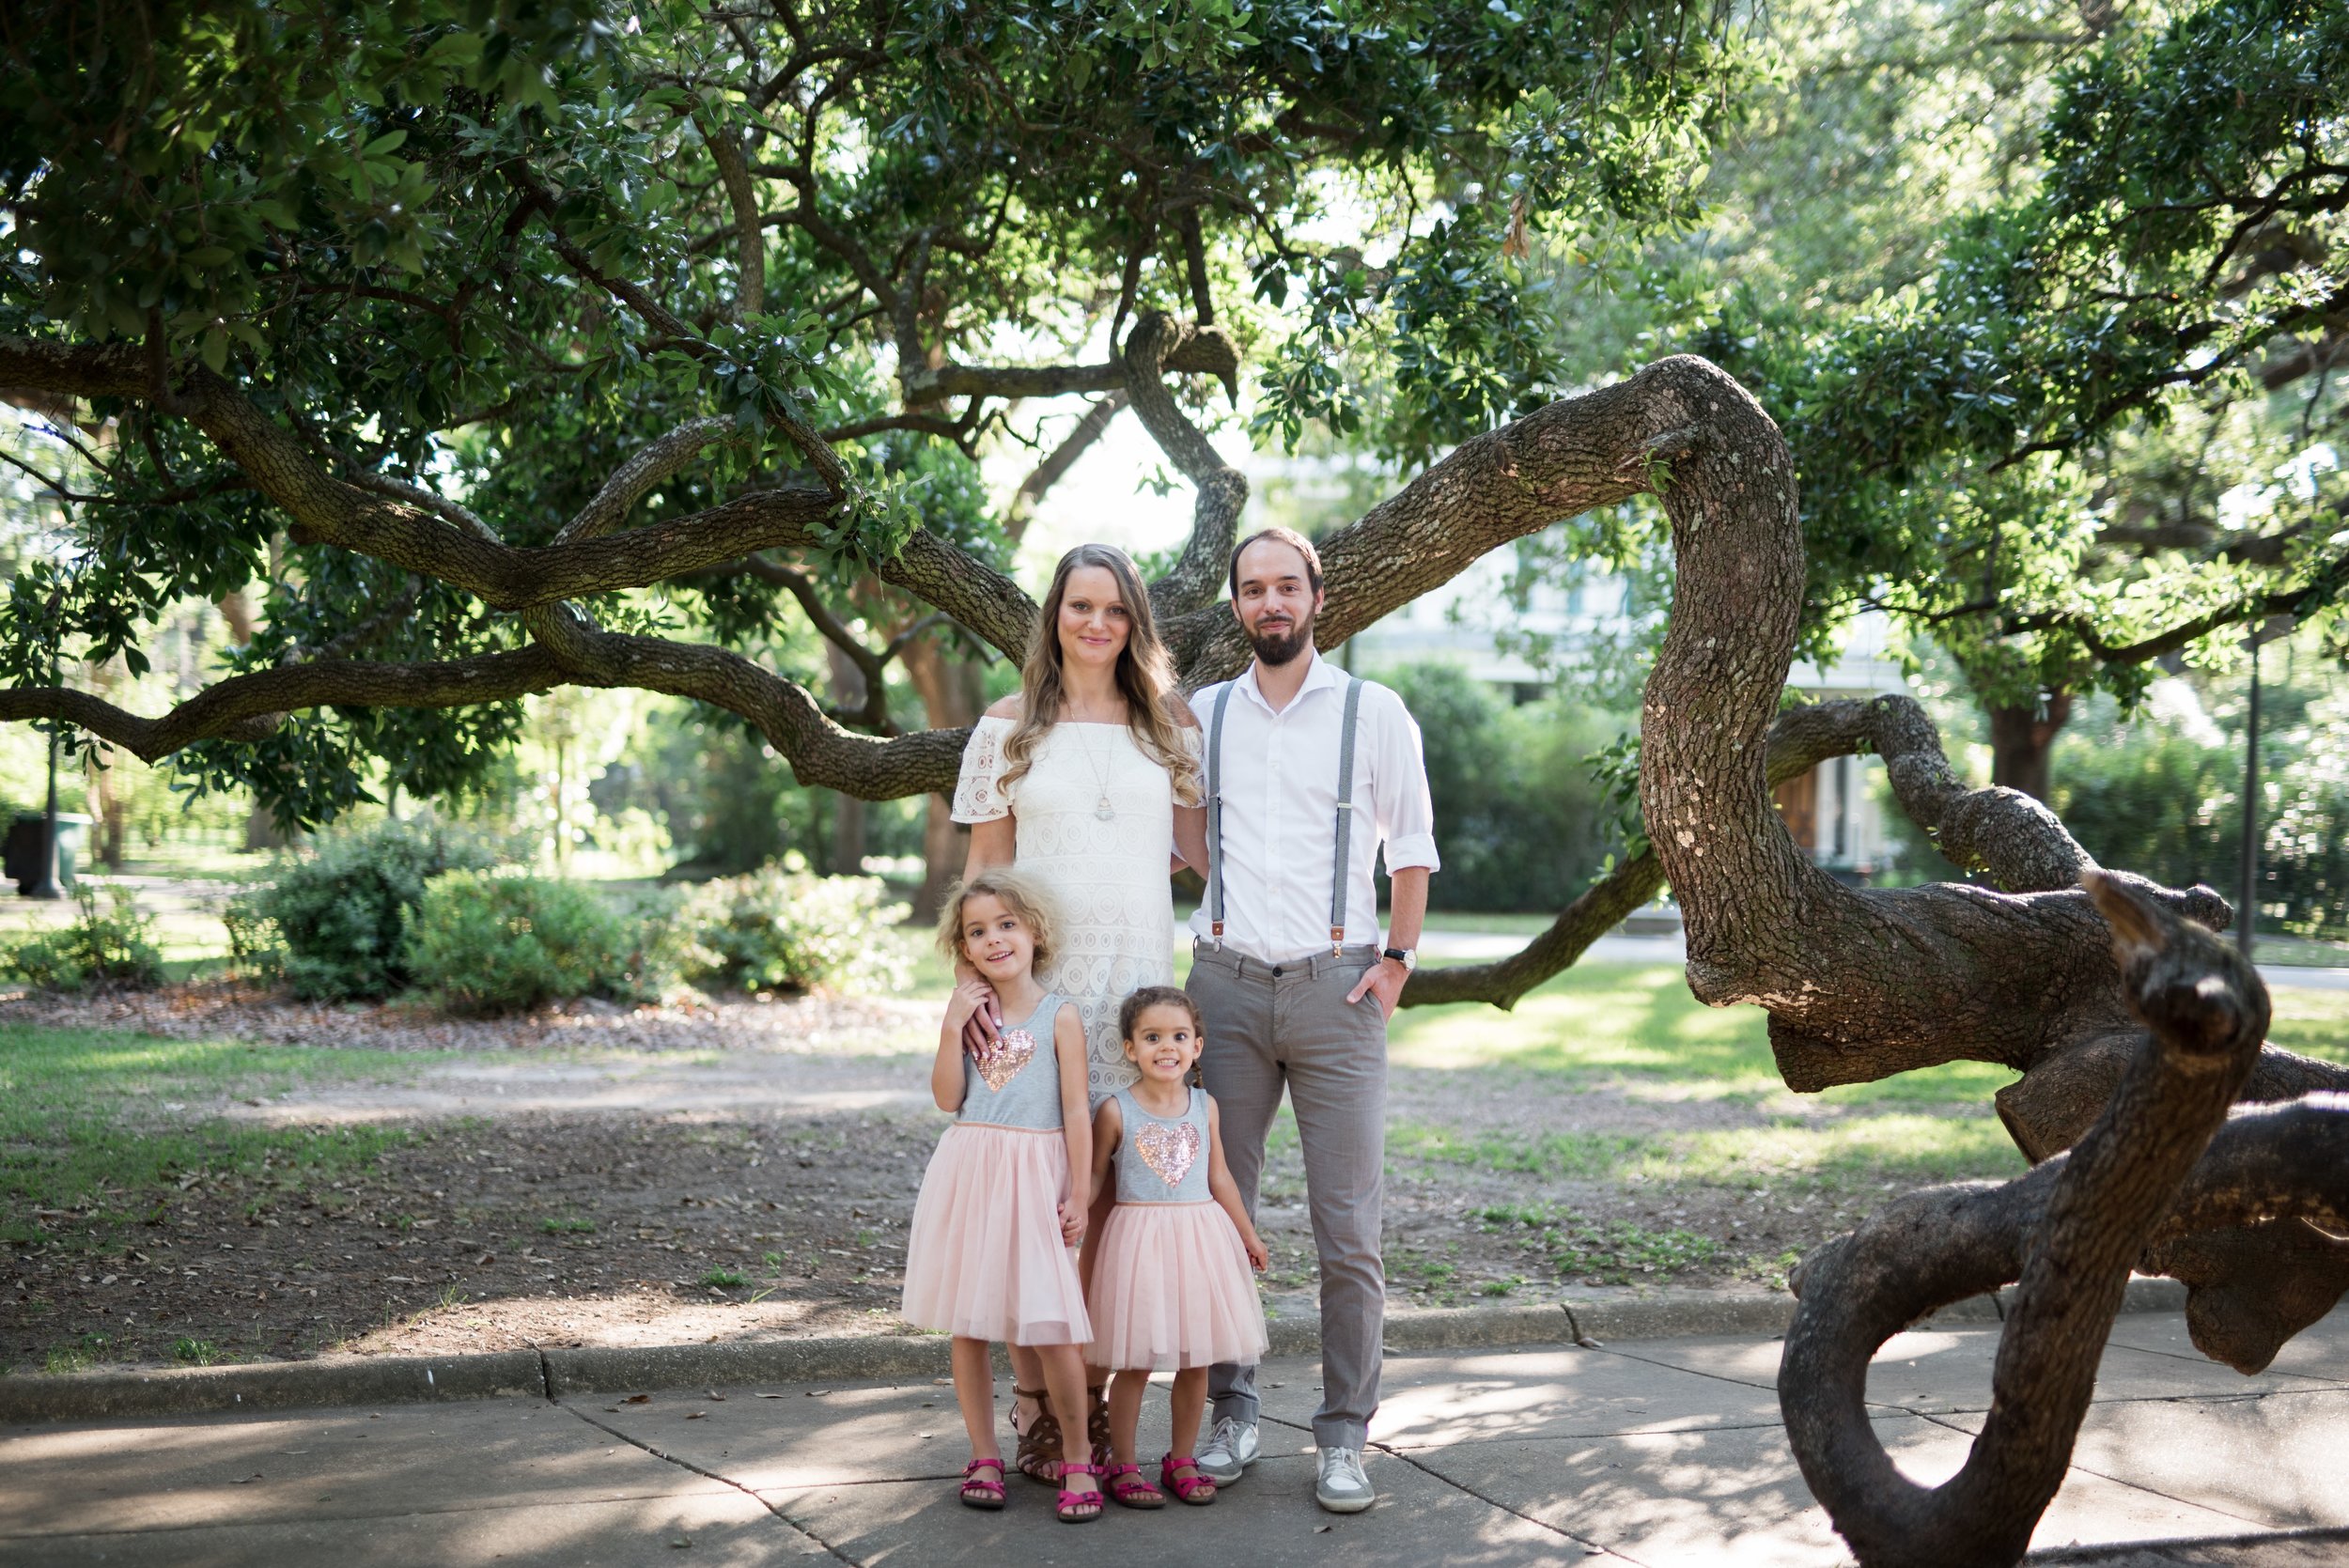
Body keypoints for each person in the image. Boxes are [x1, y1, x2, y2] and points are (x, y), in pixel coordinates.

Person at [1185, 525, 1439, 1514]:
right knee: (1215, 1218)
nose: (1270, 604)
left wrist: (1396, 963)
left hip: (1340, 991)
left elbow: (1410, 849)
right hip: (1225, 991)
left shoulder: (1374, 712)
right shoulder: (1204, 712)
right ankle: (1230, 1412)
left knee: (1347, 1228)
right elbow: (1186, 831)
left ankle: (1343, 1435)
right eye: (1253, 589)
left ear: (1318, 597)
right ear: (1238, 605)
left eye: (1285, 586)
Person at [952, 541, 1208, 1479]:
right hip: (1037, 997)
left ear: (1135, 622)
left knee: (1107, 1205)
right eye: (1078, 606)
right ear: (1053, 617)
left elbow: (1197, 851)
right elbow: (986, 869)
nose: (1095, 623)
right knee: (1034, 1203)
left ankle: (1090, 1410)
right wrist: (971, 988)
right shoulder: (1006, 727)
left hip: (1137, 991)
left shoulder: (1169, 728)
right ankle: (1034, 1411)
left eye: (1113, 609)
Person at [897, 869, 1105, 1522]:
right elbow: (946, 1097)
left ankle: (1077, 1457)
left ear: (1035, 931)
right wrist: (950, 1021)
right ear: (963, 947)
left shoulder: (1059, 1015)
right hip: (970, 1169)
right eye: (977, 931)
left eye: (1006, 924)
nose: (994, 939)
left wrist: (1082, 1188)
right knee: (969, 1321)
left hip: (1036, 1173)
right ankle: (984, 1453)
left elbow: (1077, 1110)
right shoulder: (970, 1014)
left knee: (1051, 1323)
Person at [1083, 986, 1269, 1510]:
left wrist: (1247, 1235)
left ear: (1198, 1046)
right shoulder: (1116, 1111)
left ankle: (1180, 1458)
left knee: (1197, 1361)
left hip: (1200, 1241)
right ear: (1130, 1048)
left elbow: (1220, 1177)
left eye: (1178, 1036)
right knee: (1136, 1361)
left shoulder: (1203, 1106)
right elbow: (1096, 1177)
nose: (1167, 1047)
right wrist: (1072, 1214)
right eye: (1152, 1037)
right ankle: (1122, 1462)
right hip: (1138, 1244)